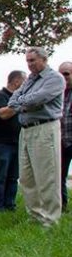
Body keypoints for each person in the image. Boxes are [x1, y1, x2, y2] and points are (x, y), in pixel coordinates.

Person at [6, 47, 65, 227]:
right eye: (28, 61)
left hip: (45, 128)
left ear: (44, 59)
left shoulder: (54, 79)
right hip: (26, 129)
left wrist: (22, 102)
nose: (30, 65)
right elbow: (13, 100)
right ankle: (35, 215)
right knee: (26, 176)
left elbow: (38, 99)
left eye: (33, 60)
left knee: (47, 175)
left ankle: (50, 219)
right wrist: (23, 102)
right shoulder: (29, 80)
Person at [0, 70, 26, 211]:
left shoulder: (19, 98)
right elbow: (3, 114)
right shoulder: (0, 96)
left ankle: (10, 205)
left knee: (13, 177)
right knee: (1, 176)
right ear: (17, 81)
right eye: (25, 81)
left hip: (16, 143)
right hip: (0, 143)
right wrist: (21, 104)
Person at [59, 61, 72, 212]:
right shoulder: (58, 93)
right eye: (61, 74)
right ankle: (61, 206)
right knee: (58, 177)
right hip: (61, 141)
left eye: (66, 74)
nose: (63, 77)